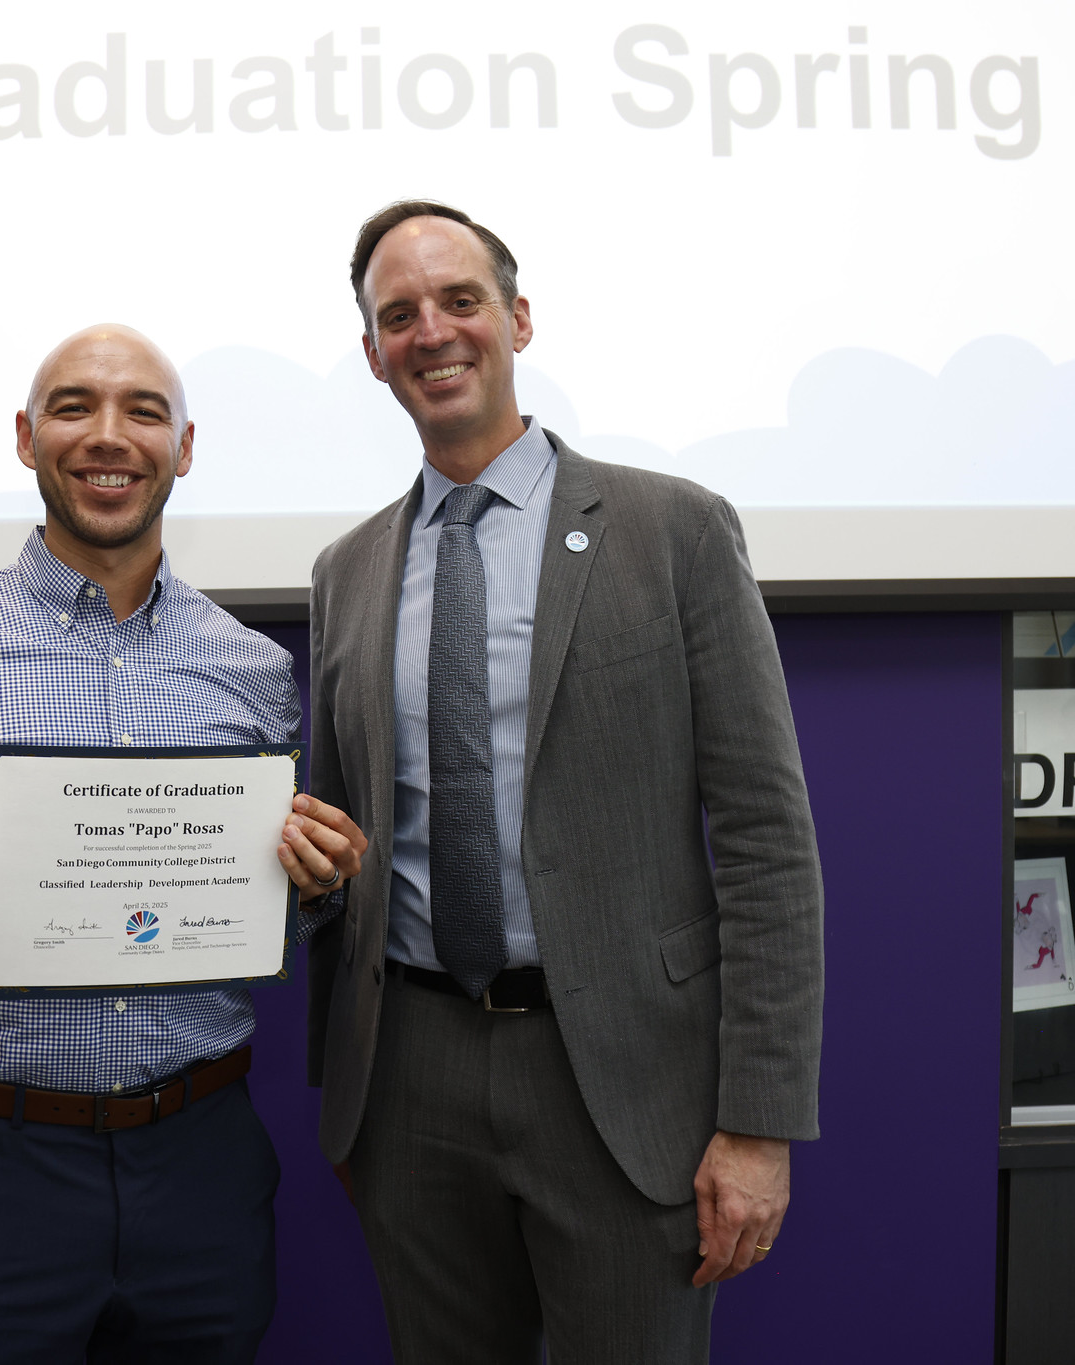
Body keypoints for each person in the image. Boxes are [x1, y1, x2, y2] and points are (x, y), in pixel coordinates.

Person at [0, 324, 366, 1363]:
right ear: (26, 436)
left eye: (143, 412)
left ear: (183, 448)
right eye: (75, 407)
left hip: (203, 1163)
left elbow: (259, 906)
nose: (108, 436)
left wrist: (315, 886)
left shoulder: (253, 669)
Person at [305, 202, 824, 1362]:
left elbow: (764, 841)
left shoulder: (673, 530)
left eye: (459, 301)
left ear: (517, 320)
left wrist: (758, 1122)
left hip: (621, 1079)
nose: (432, 332)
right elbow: (333, 847)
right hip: (408, 1079)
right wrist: (344, 1095)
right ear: (373, 353)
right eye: (398, 315)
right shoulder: (346, 572)